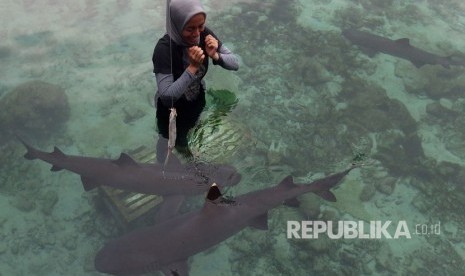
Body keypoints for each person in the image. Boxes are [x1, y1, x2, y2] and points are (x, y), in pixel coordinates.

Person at [152, 0, 239, 163]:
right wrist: (192, 68)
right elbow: (166, 97)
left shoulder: (204, 34)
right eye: (189, 28)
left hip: (197, 98)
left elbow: (235, 63)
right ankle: (167, 166)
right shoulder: (163, 50)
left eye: (201, 26)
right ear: (177, 25)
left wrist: (216, 55)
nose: (196, 34)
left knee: (190, 128)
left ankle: (186, 149)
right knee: (168, 140)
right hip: (171, 110)